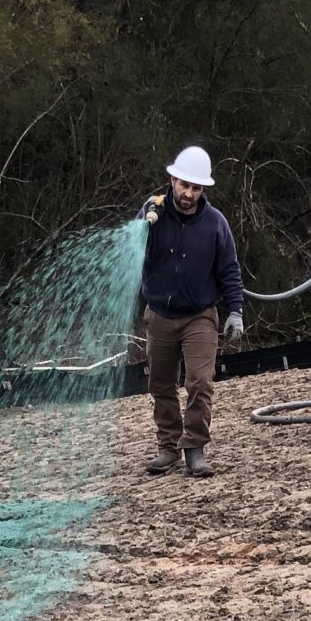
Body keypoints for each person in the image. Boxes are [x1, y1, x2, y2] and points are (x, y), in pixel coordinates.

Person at [137, 145, 244, 477]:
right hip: (159, 313)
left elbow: (229, 269)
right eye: (184, 185)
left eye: (196, 188)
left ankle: (194, 448)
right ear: (172, 180)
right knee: (161, 384)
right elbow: (134, 250)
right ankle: (167, 447)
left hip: (199, 314)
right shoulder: (153, 214)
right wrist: (143, 221)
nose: (189, 193)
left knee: (199, 381)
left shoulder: (215, 223)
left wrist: (235, 310)